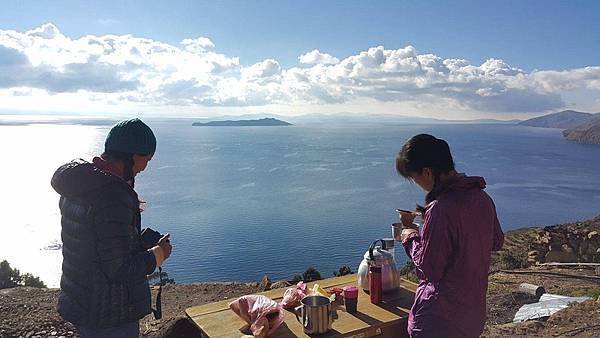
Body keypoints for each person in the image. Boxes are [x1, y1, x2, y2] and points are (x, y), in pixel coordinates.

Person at [51, 118, 172, 337]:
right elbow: (119, 269)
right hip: (109, 311)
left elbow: (96, 242)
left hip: (82, 299)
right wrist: (158, 255)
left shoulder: (82, 183)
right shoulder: (112, 195)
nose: (146, 166)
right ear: (133, 156)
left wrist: (137, 239)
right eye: (147, 158)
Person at [395, 134, 504, 338]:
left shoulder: (441, 209)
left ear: (427, 171)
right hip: (472, 315)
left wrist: (409, 234)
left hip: (439, 320)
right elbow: (497, 241)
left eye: (414, 178)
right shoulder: (482, 197)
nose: (417, 183)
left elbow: (429, 269)